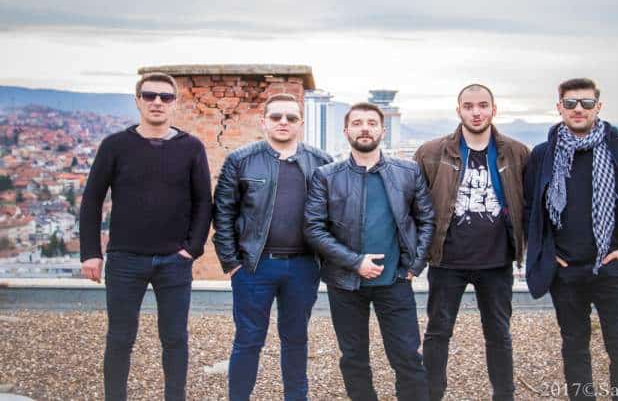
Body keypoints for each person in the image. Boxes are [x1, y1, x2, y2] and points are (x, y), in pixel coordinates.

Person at [524, 78, 618, 400]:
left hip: (616, 270)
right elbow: (530, 209)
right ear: (559, 108)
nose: (578, 109)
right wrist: (547, 252)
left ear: (598, 107)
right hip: (566, 271)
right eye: (570, 103)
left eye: (586, 103)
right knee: (574, 348)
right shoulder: (543, 154)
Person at [79, 72, 212, 401]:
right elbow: (92, 199)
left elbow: (204, 202)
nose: (157, 102)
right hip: (125, 258)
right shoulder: (115, 145)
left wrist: (192, 249)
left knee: (175, 339)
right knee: (119, 338)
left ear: (175, 103)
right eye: (150, 95)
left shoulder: (192, 147)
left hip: (174, 261)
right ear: (137, 101)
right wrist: (91, 252)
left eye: (165, 97)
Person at [304, 102, 435, 401]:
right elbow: (313, 228)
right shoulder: (326, 176)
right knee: (354, 358)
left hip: (395, 281)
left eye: (372, 123)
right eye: (357, 123)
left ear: (382, 131)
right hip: (345, 283)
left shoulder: (408, 172)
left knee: (407, 357)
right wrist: (355, 262)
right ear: (346, 131)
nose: (365, 128)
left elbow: (427, 220)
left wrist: (414, 265)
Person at [212, 93, 332, 401]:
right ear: (263, 121)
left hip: (304, 267)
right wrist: (232, 263)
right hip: (254, 266)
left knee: (296, 339)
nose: (283, 122)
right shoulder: (241, 160)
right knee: (248, 340)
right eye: (276, 117)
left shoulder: (321, 162)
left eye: (291, 118)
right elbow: (223, 213)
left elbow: (334, 214)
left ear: (300, 123)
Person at [414, 84, 529, 401]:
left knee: (499, 333)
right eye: (468, 106)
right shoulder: (431, 153)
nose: (476, 112)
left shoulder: (518, 153)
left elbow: (530, 204)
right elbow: (414, 206)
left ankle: (504, 395)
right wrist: (415, 255)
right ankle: (432, 394)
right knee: (438, 332)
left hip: (497, 261)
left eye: (482, 105)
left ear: (494, 109)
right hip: (446, 260)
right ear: (458, 111)